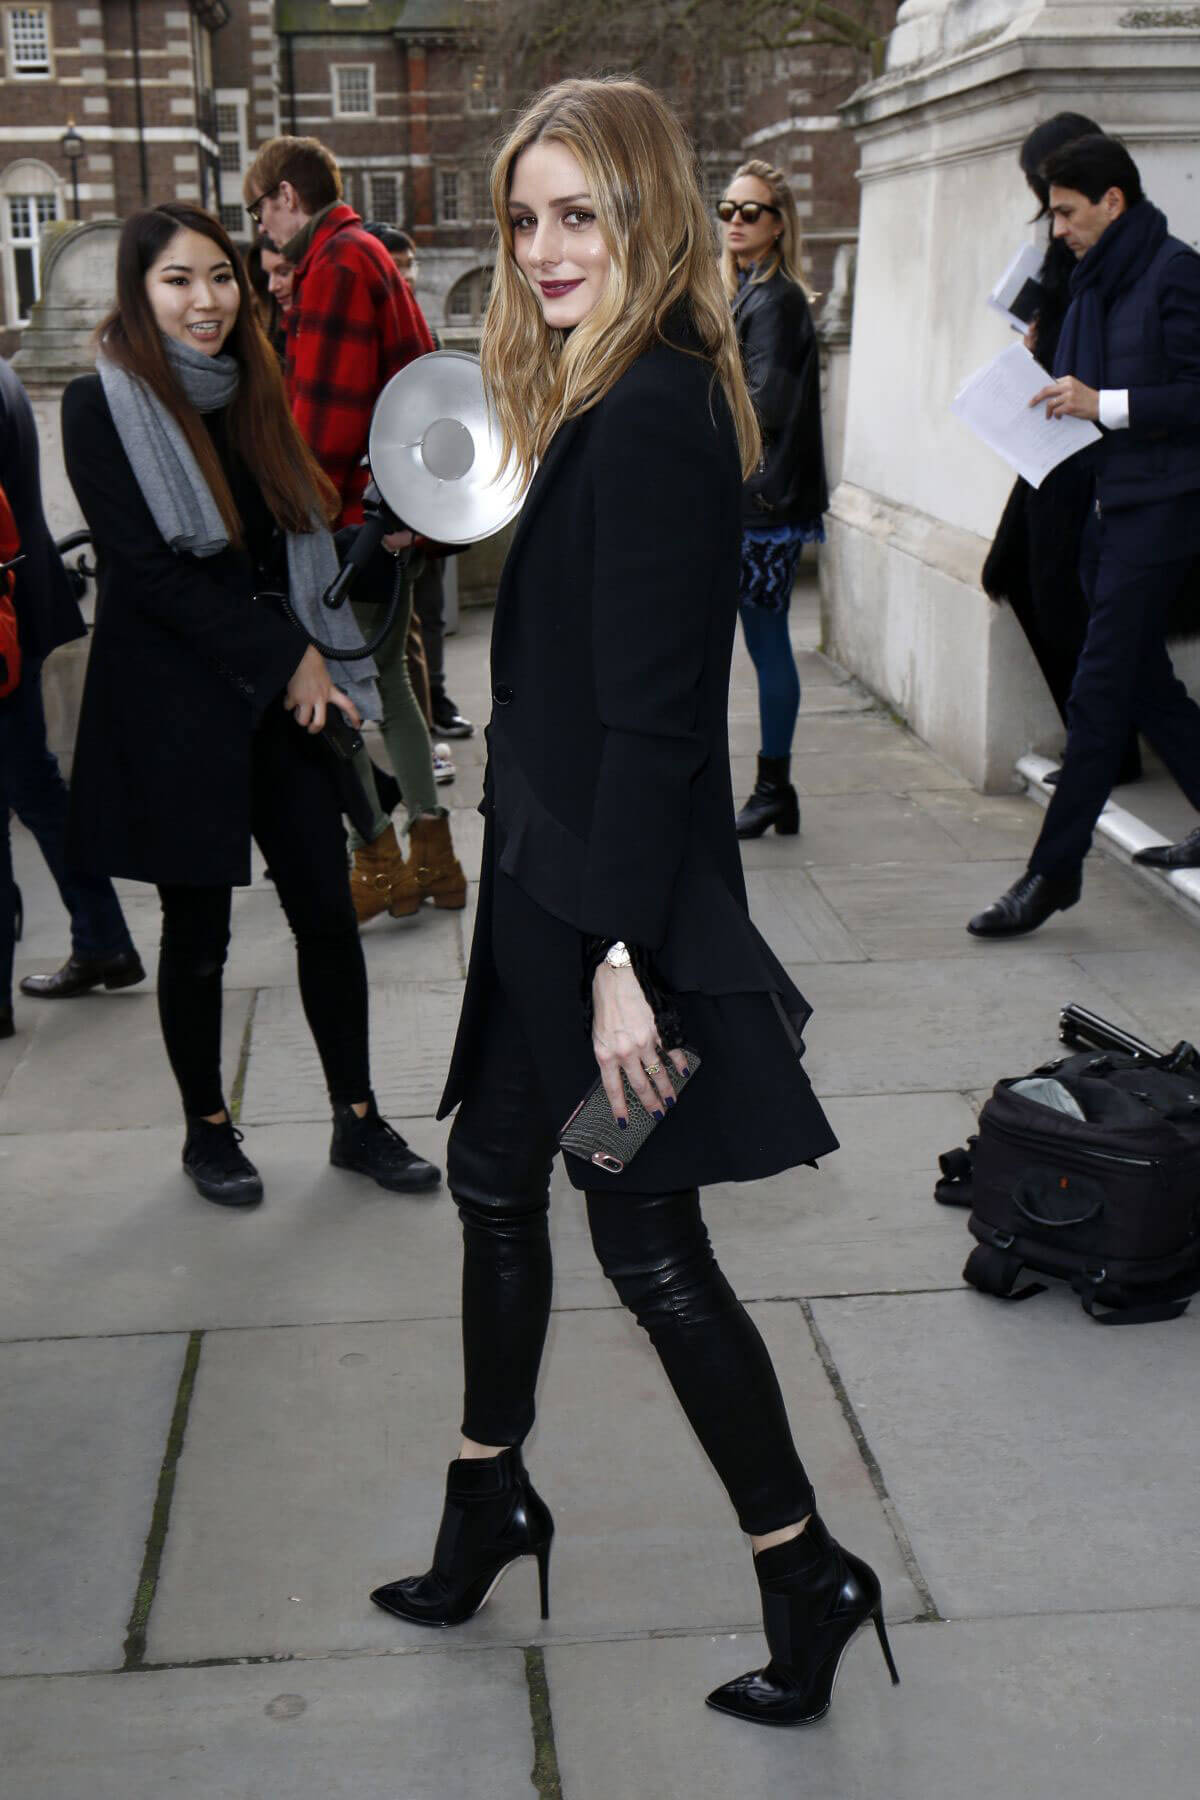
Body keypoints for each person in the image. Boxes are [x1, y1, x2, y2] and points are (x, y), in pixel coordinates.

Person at [367, 77, 900, 1729]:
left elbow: (666, 722)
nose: (540, 248)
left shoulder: (662, 406)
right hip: (543, 867)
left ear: (650, 216)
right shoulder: (606, 390)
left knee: (648, 1240)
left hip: (597, 897)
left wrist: (617, 964)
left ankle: (806, 1569)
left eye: (576, 214)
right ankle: (487, 1499)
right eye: (524, 218)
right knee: (491, 1180)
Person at [61, 202, 441, 1205]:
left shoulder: (252, 382)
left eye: (221, 277)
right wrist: (292, 661)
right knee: (199, 936)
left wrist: (365, 549)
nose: (207, 300)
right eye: (179, 281)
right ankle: (208, 1130)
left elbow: (291, 529)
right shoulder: (100, 404)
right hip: (179, 704)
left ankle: (357, 1119)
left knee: (326, 911)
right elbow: (148, 575)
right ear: (140, 293)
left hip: (283, 703)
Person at [969, 136, 1200, 936]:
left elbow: (1194, 395)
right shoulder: (1095, 280)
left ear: (1113, 201)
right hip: (1106, 507)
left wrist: (1104, 402)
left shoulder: (1176, 270)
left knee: (1099, 695)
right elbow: (1072, 390)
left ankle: (1051, 873)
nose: (1057, 226)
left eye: (1067, 211)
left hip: (1164, 509)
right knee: (1143, 683)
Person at [242, 138, 465, 925]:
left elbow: (321, 427)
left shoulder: (334, 263)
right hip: (390, 512)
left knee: (330, 695)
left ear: (285, 197)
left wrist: (277, 513)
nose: (262, 228)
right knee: (396, 690)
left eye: (258, 208)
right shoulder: (365, 250)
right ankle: (434, 860)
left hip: (348, 525)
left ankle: (378, 864)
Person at [981, 114, 1143, 790]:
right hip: (1049, 447)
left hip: (1087, 450)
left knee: (1058, 586)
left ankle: (1107, 746)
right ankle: (1101, 740)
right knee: (1014, 573)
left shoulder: (1126, 254)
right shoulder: (1061, 248)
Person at [0, 357, 143, 1036]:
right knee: (35, 791)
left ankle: (97, 939)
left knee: (32, 793)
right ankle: (101, 937)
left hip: (5, 619)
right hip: (18, 610)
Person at [718, 160, 827, 840]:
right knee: (759, 642)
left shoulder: (778, 299)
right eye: (728, 208)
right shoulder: (746, 292)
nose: (734, 220)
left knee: (766, 643)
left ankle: (773, 787)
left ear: (780, 225)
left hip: (763, 508)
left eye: (751, 211)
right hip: (750, 501)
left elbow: (765, 406)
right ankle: (771, 792)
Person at [362, 219, 476, 748]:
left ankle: (436, 698)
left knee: (428, 613)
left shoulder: (417, 326)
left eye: (411, 266)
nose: (406, 276)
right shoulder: (373, 327)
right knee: (400, 626)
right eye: (396, 266)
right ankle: (418, 719)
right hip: (383, 501)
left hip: (428, 495)